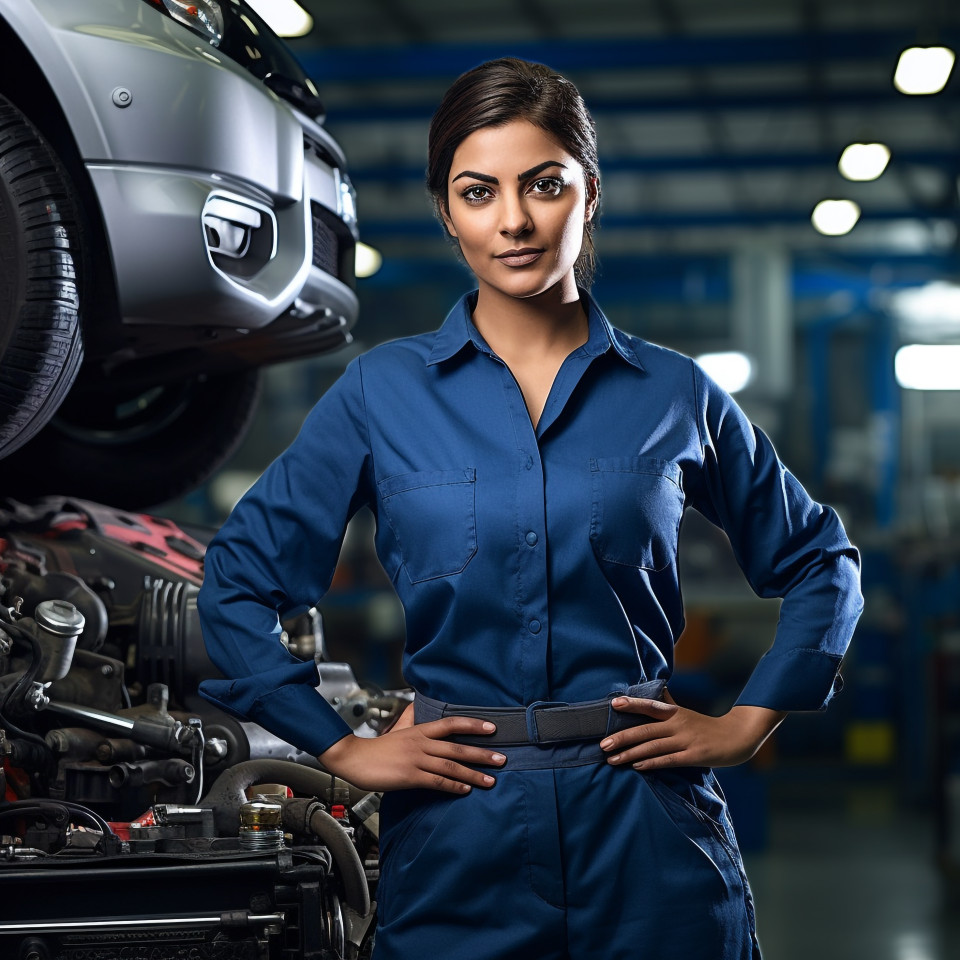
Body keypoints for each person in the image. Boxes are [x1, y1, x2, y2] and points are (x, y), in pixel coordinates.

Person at [197, 57, 863, 960]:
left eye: (543, 185)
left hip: (646, 830)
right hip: (458, 831)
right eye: (478, 192)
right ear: (448, 213)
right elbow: (237, 580)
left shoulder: (675, 393)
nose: (512, 221)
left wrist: (748, 722)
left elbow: (822, 563)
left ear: (589, 193)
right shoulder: (380, 393)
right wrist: (340, 747)